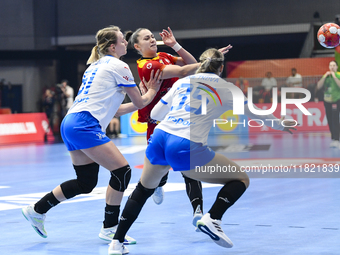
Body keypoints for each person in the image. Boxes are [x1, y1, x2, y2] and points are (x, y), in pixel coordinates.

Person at [108, 48, 297, 254]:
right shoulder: (227, 89)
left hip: (160, 138)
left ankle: (116, 242)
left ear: (200, 64)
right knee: (240, 179)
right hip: (185, 144)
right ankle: (213, 218)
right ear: (221, 67)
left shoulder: (182, 82)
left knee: (143, 190)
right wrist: (280, 124)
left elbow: (155, 113)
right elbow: (256, 114)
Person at [21, 25, 162, 247]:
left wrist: (143, 98)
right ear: (112, 46)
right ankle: (109, 228)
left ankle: (37, 210)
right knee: (122, 172)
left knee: (85, 182)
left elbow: (117, 109)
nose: (125, 42)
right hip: (85, 124)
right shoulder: (120, 65)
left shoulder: (95, 66)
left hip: (71, 122)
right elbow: (141, 102)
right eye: (121, 40)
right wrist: (152, 90)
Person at [126, 27, 204, 223]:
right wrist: (212, 60)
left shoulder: (163, 55)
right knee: (159, 169)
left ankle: (199, 212)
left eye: (152, 36)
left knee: (190, 167)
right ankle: (159, 184)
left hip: (179, 121)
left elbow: (192, 64)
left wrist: (175, 45)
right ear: (137, 46)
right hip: (158, 124)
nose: (152, 39)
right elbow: (185, 70)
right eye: (147, 38)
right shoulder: (147, 66)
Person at [316, 60, 340, 148]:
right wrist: (325, 76)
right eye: (330, 65)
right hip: (327, 100)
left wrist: (334, 76)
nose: (332, 67)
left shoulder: (338, 75)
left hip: (336, 100)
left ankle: (337, 139)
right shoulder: (326, 76)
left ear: (337, 67)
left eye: (334, 65)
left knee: (335, 119)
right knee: (329, 119)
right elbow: (318, 86)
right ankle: (333, 138)